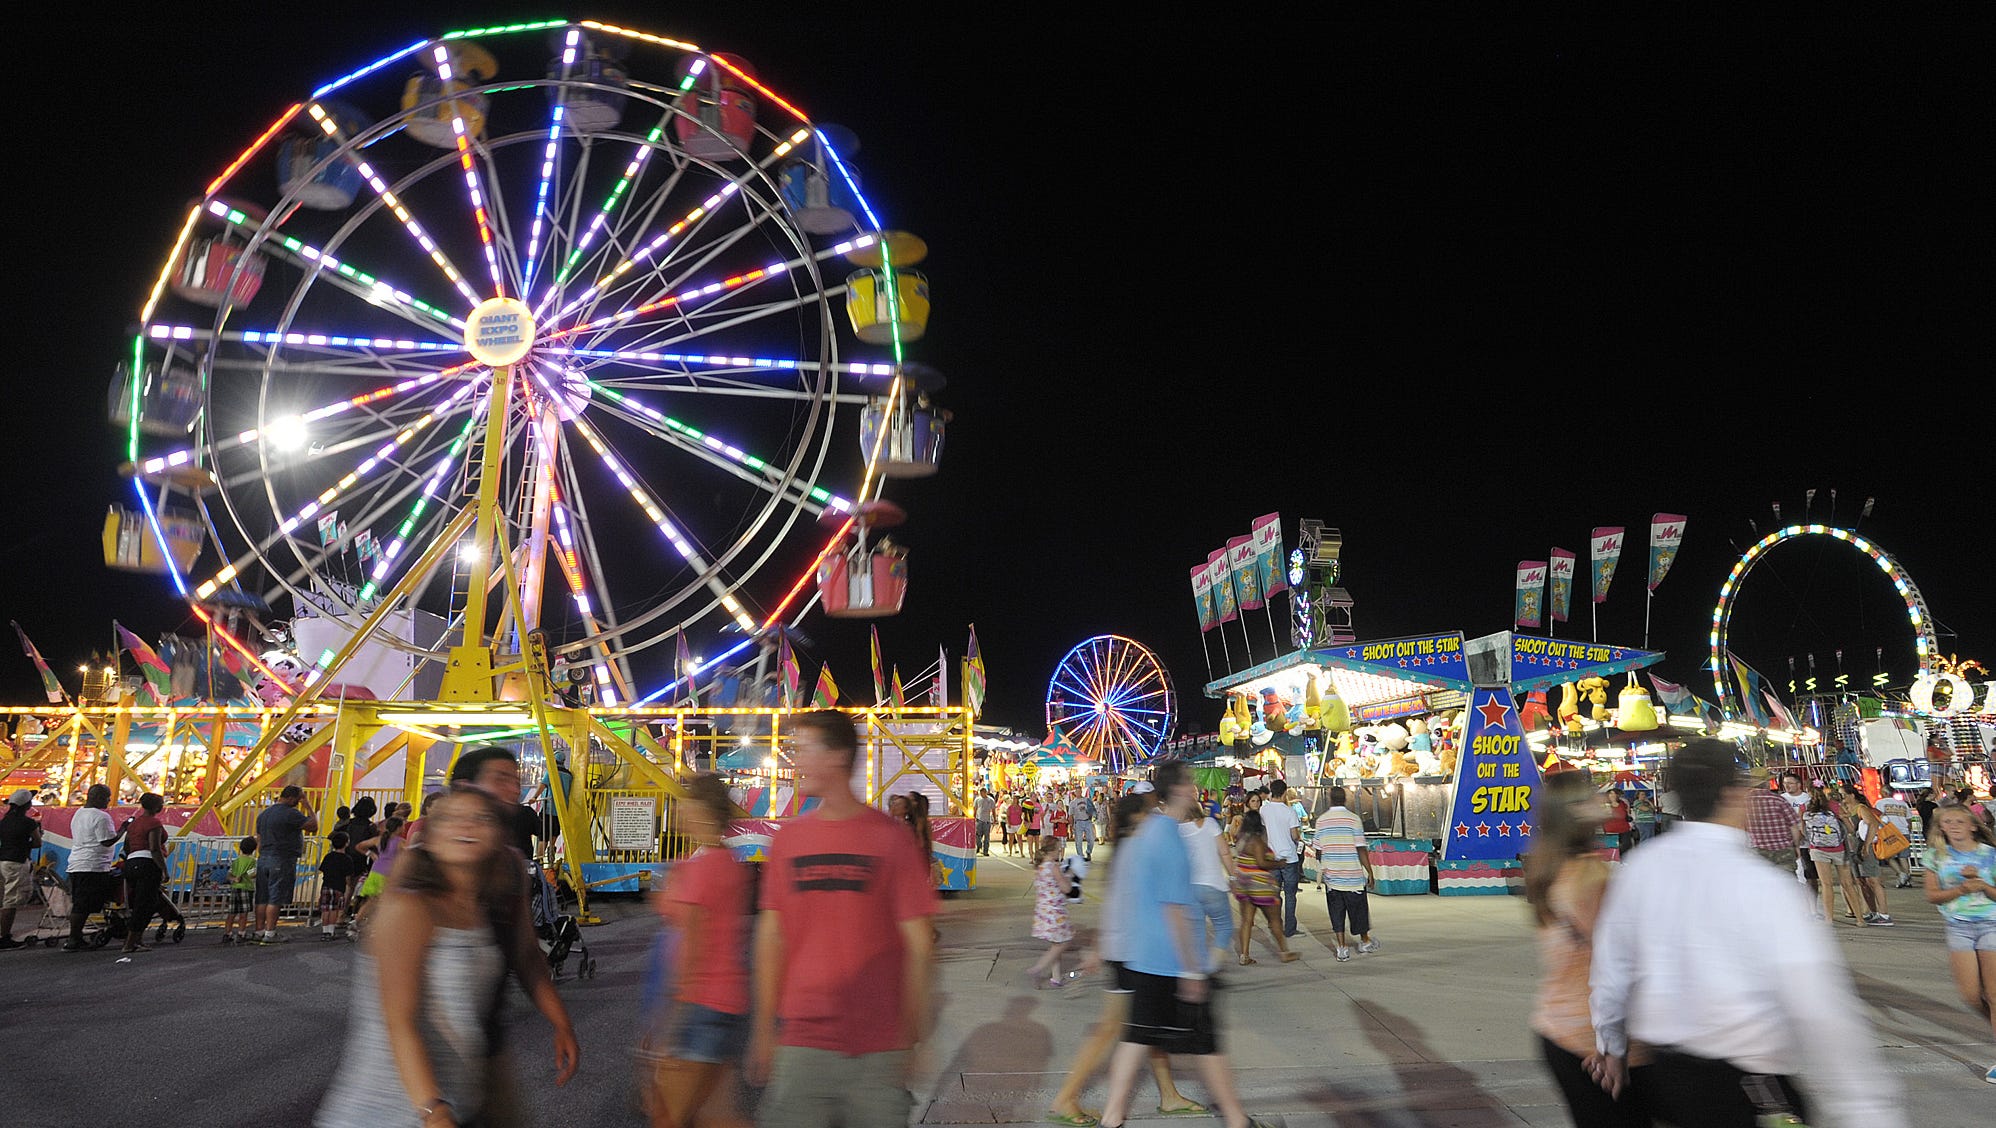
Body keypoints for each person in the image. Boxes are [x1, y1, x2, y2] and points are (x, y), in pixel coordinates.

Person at [1588, 739, 1907, 1126]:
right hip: (1749, 1091)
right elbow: (1821, 1009)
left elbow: (1612, 972)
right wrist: (1866, 1111)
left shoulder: (1642, 868)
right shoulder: (1765, 886)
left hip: (1663, 1081)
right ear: (1733, 794)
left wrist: (1612, 1048)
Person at [315, 785, 575, 1127]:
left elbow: (526, 957)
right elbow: (399, 1021)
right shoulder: (411, 908)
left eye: (480, 819)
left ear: (498, 837)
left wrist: (562, 1023)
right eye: (450, 818)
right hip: (390, 1111)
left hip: (455, 1102)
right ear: (430, 837)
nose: (466, 826)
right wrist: (433, 1110)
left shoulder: (479, 909)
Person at [747, 710, 938, 1128]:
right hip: (803, 1040)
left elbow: (920, 946)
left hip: (879, 1048)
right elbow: (770, 938)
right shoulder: (788, 840)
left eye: (803, 749)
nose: (794, 761)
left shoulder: (889, 838)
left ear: (836, 756)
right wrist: (764, 1028)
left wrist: (917, 1035)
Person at [1092, 761, 1270, 1128]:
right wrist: (1191, 968)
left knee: (1136, 1037)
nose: (1195, 790)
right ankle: (1237, 1120)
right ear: (1178, 790)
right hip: (1171, 960)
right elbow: (1174, 907)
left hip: (1144, 957)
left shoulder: (1146, 832)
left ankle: (1112, 1118)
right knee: (1206, 1042)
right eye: (1190, 784)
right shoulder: (1169, 836)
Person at [1048, 793, 1207, 1126]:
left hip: (1130, 952)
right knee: (1115, 1029)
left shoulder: (1128, 849)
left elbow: (1116, 903)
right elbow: (1129, 906)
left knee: (1146, 1027)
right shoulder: (1137, 850)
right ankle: (1066, 1098)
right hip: (1131, 954)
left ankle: (1169, 1094)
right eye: (1150, 812)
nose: (1155, 817)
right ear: (1137, 818)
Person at [448, 746, 583, 1127]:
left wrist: (561, 1022)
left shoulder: (509, 865)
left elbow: (524, 953)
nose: (512, 789)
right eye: (500, 779)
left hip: (486, 1041)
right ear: (463, 788)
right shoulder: (423, 862)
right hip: (428, 1053)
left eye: (516, 780)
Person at [1524, 770, 1649, 1128]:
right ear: (1573, 812)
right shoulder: (1589, 877)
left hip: (1560, 1028)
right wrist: (1614, 1046)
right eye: (1591, 797)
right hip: (1593, 1043)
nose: (1602, 801)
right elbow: (1612, 967)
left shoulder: (1548, 867)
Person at [651, 773, 752, 1128]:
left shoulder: (700, 869)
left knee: (669, 1116)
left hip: (698, 1003)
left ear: (703, 811)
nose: (679, 811)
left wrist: (670, 1023)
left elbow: (692, 949)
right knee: (717, 1115)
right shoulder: (729, 863)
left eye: (686, 803)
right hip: (729, 998)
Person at [1921, 803, 1996, 1083]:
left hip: (1991, 924)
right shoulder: (1935, 856)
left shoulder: (1990, 855)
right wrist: (1961, 889)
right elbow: (1931, 895)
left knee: (1994, 994)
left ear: (1973, 826)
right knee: (1971, 996)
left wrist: (1984, 887)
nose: (1953, 826)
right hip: (1958, 927)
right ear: (1940, 827)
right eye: (1947, 822)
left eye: (1959, 821)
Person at [1313, 786, 1378, 962]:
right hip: (1353, 877)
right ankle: (1364, 941)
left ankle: (1342, 948)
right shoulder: (1354, 819)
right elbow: (1361, 849)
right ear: (1345, 799)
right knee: (1359, 911)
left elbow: (1318, 849)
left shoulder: (1322, 821)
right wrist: (1370, 872)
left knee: (1337, 913)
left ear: (1329, 799)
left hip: (1332, 877)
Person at [121, 792, 187, 952]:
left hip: (132, 863)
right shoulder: (154, 823)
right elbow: (154, 848)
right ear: (156, 807)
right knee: (145, 904)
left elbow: (127, 846)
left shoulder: (134, 824)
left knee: (137, 901)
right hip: (147, 864)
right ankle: (130, 943)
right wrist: (164, 870)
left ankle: (137, 940)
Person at [253, 784, 317, 944]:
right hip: (281, 858)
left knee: (262, 897)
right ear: (291, 798)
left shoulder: (264, 814)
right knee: (275, 897)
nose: (299, 801)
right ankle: (270, 933)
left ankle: (259, 930)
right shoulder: (291, 814)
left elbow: (259, 837)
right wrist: (308, 805)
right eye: (298, 798)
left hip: (264, 858)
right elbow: (313, 826)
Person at [1229, 811, 1296, 965]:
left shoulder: (1242, 839)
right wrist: (1279, 863)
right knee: (1274, 920)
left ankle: (1244, 955)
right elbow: (1262, 863)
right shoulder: (1256, 841)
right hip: (1260, 885)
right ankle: (1284, 952)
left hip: (1244, 883)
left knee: (1246, 920)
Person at [63, 783, 121, 952]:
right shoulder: (101, 817)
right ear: (96, 797)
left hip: (77, 863)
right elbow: (106, 840)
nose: (109, 801)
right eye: (106, 797)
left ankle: (76, 936)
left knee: (81, 902)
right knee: (83, 904)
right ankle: (74, 938)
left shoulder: (79, 813)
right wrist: (123, 829)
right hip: (92, 865)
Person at [1179, 797, 1235, 974]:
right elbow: (1225, 851)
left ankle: (1199, 970)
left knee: (1197, 933)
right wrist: (1233, 876)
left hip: (1189, 889)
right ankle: (1212, 966)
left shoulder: (1176, 830)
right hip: (1213, 885)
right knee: (1224, 927)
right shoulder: (1210, 823)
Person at [1802, 788, 1866, 924]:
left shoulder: (1804, 807)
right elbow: (1850, 829)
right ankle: (1860, 919)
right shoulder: (1835, 806)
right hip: (1839, 849)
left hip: (1818, 849)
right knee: (1848, 884)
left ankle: (1829, 919)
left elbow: (1803, 830)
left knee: (1826, 885)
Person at [1027, 835, 1076, 989]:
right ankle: (1037, 969)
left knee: (1056, 943)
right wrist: (1070, 876)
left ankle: (1056, 978)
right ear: (1052, 850)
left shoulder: (1040, 867)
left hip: (1043, 911)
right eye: (1058, 848)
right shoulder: (1053, 867)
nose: (1059, 851)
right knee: (1064, 942)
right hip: (1055, 912)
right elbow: (1066, 888)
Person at [1842, 792, 1895, 926]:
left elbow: (1873, 824)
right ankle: (1873, 912)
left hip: (1865, 848)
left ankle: (1884, 914)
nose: (1841, 796)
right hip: (1853, 848)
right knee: (1861, 882)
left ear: (1852, 795)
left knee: (1873, 880)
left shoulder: (1861, 809)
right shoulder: (1846, 810)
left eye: (1843, 794)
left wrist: (1867, 846)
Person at [1258, 780, 1302, 937]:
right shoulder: (1290, 812)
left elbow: (1263, 832)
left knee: (1275, 895)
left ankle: (1275, 925)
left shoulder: (1264, 810)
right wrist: (1299, 839)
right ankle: (1290, 929)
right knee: (1290, 895)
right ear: (1284, 793)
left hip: (1272, 858)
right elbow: (1295, 835)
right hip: (1289, 858)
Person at [0, 789, 43, 949]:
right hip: (17, 862)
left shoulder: (3, 822)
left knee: (4, 898)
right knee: (11, 901)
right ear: (27, 805)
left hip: (2, 860)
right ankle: (4, 937)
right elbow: (38, 843)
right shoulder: (28, 823)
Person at [1743, 771, 1801, 874]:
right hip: (1783, 850)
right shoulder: (1779, 800)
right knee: (1787, 884)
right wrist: (1796, 845)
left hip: (1757, 850)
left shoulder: (1744, 802)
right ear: (1767, 783)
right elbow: (1794, 827)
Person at [318, 830, 356, 940]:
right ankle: (331, 931)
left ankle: (325, 932)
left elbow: (323, 870)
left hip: (326, 886)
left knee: (326, 910)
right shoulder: (347, 859)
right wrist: (349, 885)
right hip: (339, 888)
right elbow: (348, 876)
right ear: (346, 843)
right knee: (334, 910)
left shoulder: (328, 857)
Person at [1875, 790, 1917, 887]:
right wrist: (1909, 830)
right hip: (1904, 832)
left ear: (1884, 793)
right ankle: (1907, 878)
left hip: (1890, 833)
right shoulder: (1903, 803)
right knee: (1903, 857)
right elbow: (1909, 819)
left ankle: (1901, 874)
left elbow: (1877, 817)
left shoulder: (1880, 803)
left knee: (1888, 856)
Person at [222, 836, 257, 944]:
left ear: (241, 848)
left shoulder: (236, 861)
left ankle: (227, 933)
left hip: (235, 888)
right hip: (246, 889)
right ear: (254, 849)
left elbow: (228, 875)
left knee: (231, 913)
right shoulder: (252, 861)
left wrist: (234, 879)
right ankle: (241, 933)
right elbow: (252, 874)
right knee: (243, 913)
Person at [1070, 788, 1098, 862]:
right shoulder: (1072, 803)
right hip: (1078, 822)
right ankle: (1080, 856)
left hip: (1087, 821)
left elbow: (1093, 809)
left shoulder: (1087, 800)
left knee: (1091, 839)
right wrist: (1071, 825)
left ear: (1081, 792)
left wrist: (1093, 816)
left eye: (1079, 791)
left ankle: (1088, 852)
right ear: (1075, 793)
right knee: (1078, 840)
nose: (1078, 793)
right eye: (1077, 791)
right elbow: (1071, 815)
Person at [973, 789, 995, 857]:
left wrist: (994, 818)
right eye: (981, 793)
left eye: (983, 792)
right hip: (979, 819)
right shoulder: (977, 799)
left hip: (987, 820)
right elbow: (975, 809)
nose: (982, 794)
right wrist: (974, 817)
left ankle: (986, 850)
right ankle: (979, 846)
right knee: (977, 835)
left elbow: (993, 810)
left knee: (987, 836)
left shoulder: (990, 800)